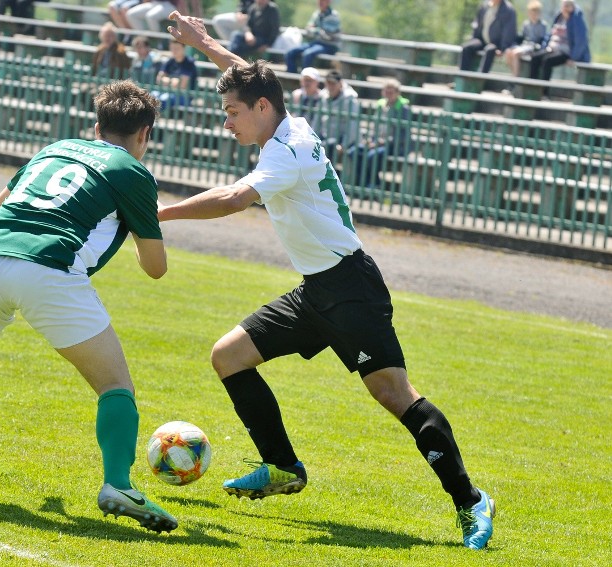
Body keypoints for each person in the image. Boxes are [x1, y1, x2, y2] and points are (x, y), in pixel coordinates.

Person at [162, 10, 495, 550]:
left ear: (261, 109)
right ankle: (282, 467)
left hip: (352, 290)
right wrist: (205, 45)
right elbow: (250, 73)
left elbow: (231, 199)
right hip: (316, 289)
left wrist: (159, 214)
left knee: (393, 393)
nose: (226, 123)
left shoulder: (286, 153)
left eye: (231, 113)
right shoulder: (286, 122)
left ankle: (471, 501)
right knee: (229, 356)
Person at [0, 80, 178, 533]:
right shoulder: (133, 171)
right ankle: (117, 483)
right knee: (115, 385)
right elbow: (155, 267)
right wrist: (139, 221)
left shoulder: (56, 148)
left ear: (96, 126)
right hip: (48, 268)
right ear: (145, 134)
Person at [350, 78, 412, 189]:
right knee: (354, 152)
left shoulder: (403, 108)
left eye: (391, 92)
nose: (388, 94)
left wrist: (382, 142)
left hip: (395, 146)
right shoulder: (381, 106)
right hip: (376, 142)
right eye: (386, 91)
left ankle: (374, 184)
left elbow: (403, 134)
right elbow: (374, 126)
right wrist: (369, 138)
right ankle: (361, 183)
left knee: (372, 156)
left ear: (397, 93)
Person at [528, 0, 591, 90]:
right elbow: (550, 34)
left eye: (568, 6)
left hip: (566, 51)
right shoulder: (559, 18)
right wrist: (544, 47)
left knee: (547, 61)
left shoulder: (576, 20)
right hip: (552, 48)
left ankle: (544, 91)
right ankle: (531, 88)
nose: (565, 8)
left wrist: (573, 58)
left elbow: (581, 41)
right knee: (535, 58)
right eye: (564, 6)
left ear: (572, 7)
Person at [459, 0, 517, 73]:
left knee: (489, 50)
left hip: (495, 44)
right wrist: (473, 38)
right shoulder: (484, 5)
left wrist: (503, 48)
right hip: (481, 40)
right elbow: (477, 24)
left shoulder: (508, 10)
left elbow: (508, 31)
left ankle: (480, 79)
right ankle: (462, 78)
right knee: (466, 48)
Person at [284, 0, 341, 73]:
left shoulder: (334, 15)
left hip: (330, 45)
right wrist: (318, 30)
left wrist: (315, 30)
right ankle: (292, 77)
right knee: (290, 52)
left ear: (328, 2)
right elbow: (308, 29)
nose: (320, 2)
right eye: (319, 1)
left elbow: (328, 35)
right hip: (317, 43)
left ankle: (306, 78)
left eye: (323, 1)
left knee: (307, 54)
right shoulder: (317, 14)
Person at [321, 68, 359, 166]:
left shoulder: (350, 100)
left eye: (333, 83)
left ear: (340, 84)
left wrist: (343, 145)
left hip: (342, 140)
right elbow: (317, 120)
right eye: (328, 83)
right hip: (326, 136)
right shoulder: (323, 97)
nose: (330, 86)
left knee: (328, 146)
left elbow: (352, 126)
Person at [503, 0, 547, 77]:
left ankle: (515, 79)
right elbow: (522, 36)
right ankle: (514, 73)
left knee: (516, 54)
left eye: (536, 12)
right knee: (508, 52)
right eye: (532, 12)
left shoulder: (542, 25)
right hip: (524, 45)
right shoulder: (526, 24)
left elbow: (541, 40)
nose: (534, 14)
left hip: (533, 46)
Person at [154, 39, 199, 109]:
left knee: (164, 99)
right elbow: (159, 80)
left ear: (184, 48)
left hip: (184, 96)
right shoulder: (170, 61)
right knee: (152, 96)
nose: (174, 51)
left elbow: (182, 85)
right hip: (167, 92)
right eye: (172, 48)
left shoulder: (189, 63)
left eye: (177, 48)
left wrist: (166, 80)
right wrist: (173, 81)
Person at [289, 67, 326, 137]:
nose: (307, 83)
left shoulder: (323, 97)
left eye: (310, 80)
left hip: (317, 134)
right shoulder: (296, 95)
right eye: (305, 80)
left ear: (317, 82)